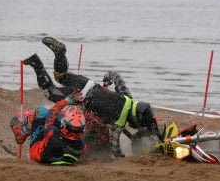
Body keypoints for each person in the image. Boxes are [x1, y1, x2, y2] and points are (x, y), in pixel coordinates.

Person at [23, 37, 161, 158]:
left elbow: (115, 75)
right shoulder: (118, 123)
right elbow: (115, 146)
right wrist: (122, 158)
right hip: (79, 97)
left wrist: (107, 78)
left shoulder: (128, 97)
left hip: (88, 84)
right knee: (50, 93)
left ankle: (60, 53)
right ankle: (37, 65)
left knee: (60, 75)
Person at [10, 99, 86, 165]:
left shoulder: (52, 131)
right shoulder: (82, 146)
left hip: (37, 152)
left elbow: (50, 115)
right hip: (57, 154)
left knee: (41, 112)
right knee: (58, 118)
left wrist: (65, 101)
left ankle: (20, 134)